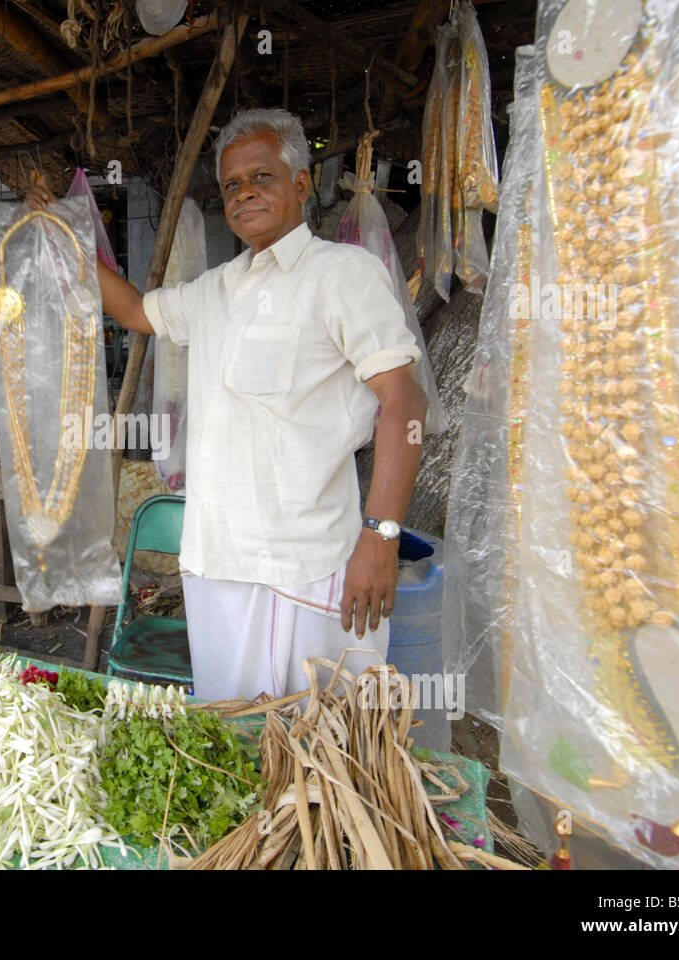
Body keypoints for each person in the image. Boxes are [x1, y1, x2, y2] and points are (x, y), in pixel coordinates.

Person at [25, 107, 429, 702]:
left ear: (301, 183)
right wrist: (65, 240)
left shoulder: (344, 275)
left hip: (308, 565)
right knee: (235, 735)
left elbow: (404, 403)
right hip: (217, 561)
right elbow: (136, 311)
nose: (244, 194)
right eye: (232, 185)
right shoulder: (214, 289)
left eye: (261, 177)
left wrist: (381, 534)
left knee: (327, 749)